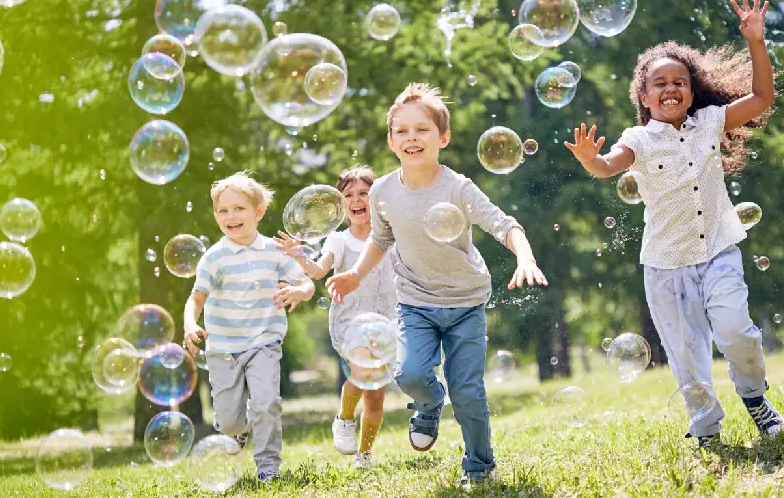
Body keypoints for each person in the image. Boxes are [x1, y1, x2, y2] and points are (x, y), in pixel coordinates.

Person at [566, 0, 784, 448]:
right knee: (687, 359)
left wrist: (755, 42)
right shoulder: (639, 139)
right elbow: (610, 165)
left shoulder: (710, 121)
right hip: (666, 265)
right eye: (659, 82)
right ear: (643, 96)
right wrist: (591, 159)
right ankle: (706, 430)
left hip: (719, 248)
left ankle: (755, 399)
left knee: (736, 331)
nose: (670, 88)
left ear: (692, 89)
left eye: (680, 81)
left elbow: (763, 97)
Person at [326, 83, 548, 486]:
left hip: (465, 302)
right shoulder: (382, 191)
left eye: (422, 129)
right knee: (408, 373)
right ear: (391, 141)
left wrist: (525, 256)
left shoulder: (458, 187)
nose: (412, 137)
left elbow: (503, 224)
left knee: (468, 393)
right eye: (403, 131)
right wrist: (355, 274)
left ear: (442, 137)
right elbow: (380, 239)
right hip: (415, 302)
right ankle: (428, 403)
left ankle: (479, 468)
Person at [183, 171, 315, 482]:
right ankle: (238, 432)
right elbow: (196, 298)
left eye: (239, 208)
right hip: (223, 348)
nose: (231, 216)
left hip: (264, 342)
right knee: (229, 422)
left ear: (257, 212)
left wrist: (299, 291)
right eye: (223, 210)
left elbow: (306, 282)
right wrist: (190, 324)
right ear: (215, 216)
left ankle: (268, 468)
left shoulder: (274, 251)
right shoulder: (214, 258)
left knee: (267, 403)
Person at [275, 164, 397, 469]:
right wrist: (299, 255)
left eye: (364, 193)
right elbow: (318, 271)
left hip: (388, 320)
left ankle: (365, 453)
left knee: (376, 396)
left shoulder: (392, 236)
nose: (357, 200)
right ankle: (344, 418)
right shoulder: (338, 241)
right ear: (340, 205)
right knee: (361, 373)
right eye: (349, 195)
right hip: (351, 320)